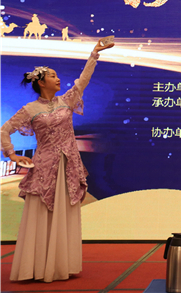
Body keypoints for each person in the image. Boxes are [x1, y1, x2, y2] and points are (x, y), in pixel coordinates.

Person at [1, 39, 114, 282]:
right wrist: (12, 155)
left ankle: (60, 265)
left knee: (64, 214)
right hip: (43, 168)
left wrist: (94, 53)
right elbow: (4, 130)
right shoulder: (30, 109)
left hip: (68, 167)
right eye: (53, 76)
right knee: (41, 214)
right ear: (41, 82)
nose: (58, 79)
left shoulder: (67, 101)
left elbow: (83, 80)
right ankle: (35, 268)